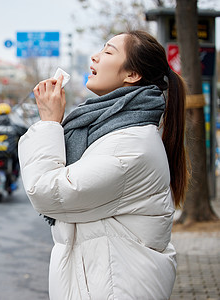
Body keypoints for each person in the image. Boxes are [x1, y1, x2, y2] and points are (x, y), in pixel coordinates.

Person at [18, 30, 189, 299]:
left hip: (116, 288)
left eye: (108, 52)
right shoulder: (108, 128)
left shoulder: (129, 146)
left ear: (132, 75)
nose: (95, 57)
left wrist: (49, 123)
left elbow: (46, 192)